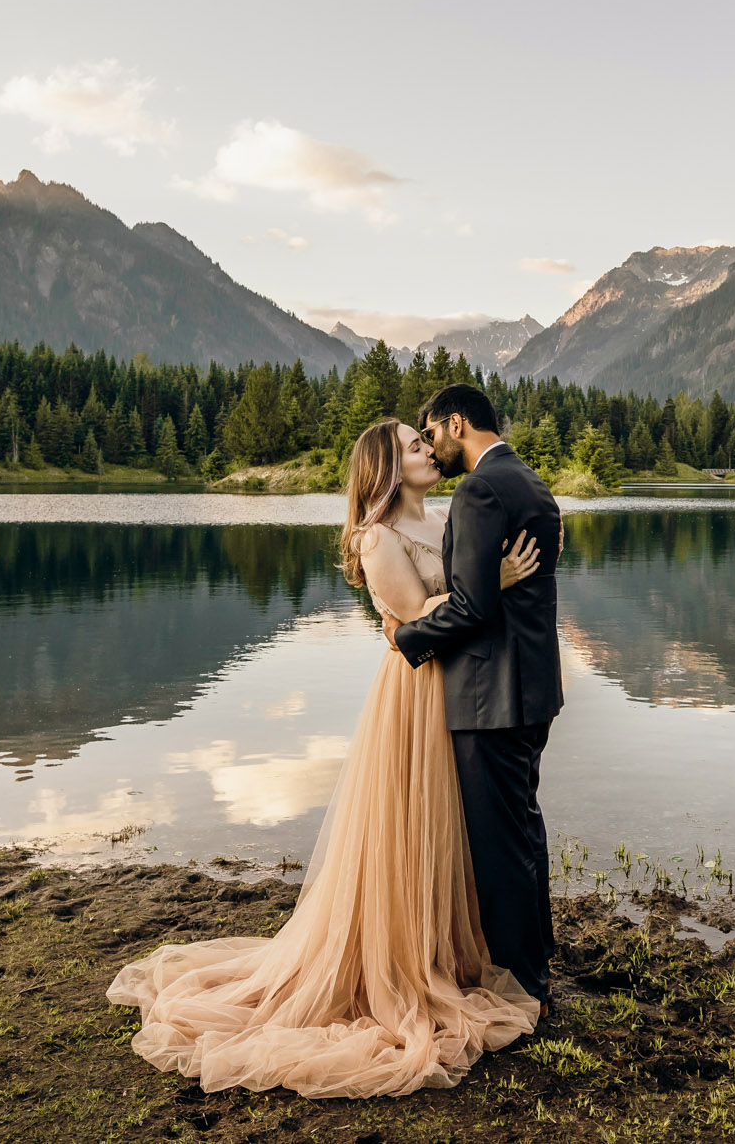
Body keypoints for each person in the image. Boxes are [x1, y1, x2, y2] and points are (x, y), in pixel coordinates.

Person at [107, 417, 544, 1098]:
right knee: (410, 826)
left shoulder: (446, 522)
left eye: (428, 441)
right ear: (385, 468)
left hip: (461, 690)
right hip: (416, 695)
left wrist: (487, 582)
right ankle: (403, 965)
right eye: (412, 445)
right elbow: (415, 624)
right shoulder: (377, 538)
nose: (429, 450)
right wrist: (495, 584)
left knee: (454, 830)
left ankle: (452, 952)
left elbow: (455, 604)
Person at [385, 382, 563, 1014]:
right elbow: (498, 593)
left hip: (491, 695)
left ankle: (524, 984)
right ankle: (538, 965)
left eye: (431, 432)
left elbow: (471, 607)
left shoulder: (480, 490)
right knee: (524, 832)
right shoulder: (531, 482)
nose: (431, 445)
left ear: (456, 424)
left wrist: (408, 637)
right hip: (533, 688)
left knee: (498, 845)